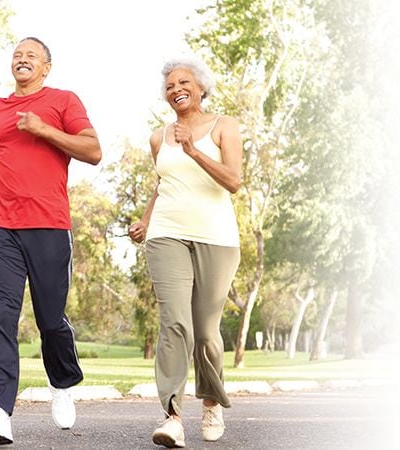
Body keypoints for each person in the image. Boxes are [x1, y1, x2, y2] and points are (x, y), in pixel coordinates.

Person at [0, 37, 102, 446]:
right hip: (1, 224)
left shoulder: (63, 101)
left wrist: (44, 129)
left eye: (31, 56)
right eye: (17, 55)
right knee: (0, 313)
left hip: (50, 225)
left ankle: (62, 382)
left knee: (50, 318)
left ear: (46, 67)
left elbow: (93, 151)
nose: (22, 60)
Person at [128, 57, 243, 448]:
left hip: (217, 238)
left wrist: (194, 150)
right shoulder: (159, 137)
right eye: (170, 84)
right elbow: (163, 184)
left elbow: (233, 181)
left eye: (184, 82)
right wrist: (146, 221)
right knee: (175, 323)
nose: (176, 88)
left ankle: (211, 402)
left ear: (201, 88)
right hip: (167, 234)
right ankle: (173, 416)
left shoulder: (224, 126)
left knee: (206, 331)